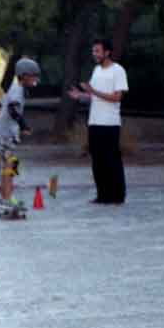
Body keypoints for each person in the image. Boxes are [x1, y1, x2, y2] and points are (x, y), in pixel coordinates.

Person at [66, 38, 128, 204]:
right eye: (93, 51)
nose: (94, 54)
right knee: (97, 161)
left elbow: (117, 97)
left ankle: (117, 196)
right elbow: (93, 97)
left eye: (97, 51)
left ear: (107, 52)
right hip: (94, 123)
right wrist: (80, 96)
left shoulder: (118, 70)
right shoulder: (96, 70)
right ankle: (103, 195)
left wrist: (93, 90)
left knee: (112, 160)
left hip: (110, 124)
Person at [0, 57, 40, 208]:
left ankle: (7, 196)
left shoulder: (15, 87)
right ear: (24, 75)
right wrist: (24, 126)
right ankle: (6, 198)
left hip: (5, 132)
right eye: (33, 76)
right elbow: (13, 110)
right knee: (9, 165)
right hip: (4, 133)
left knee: (10, 165)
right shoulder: (17, 90)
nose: (36, 79)